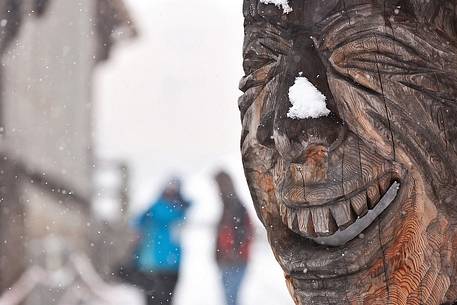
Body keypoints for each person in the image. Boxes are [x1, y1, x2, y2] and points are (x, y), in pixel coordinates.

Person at [133, 177, 190, 305]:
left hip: (156, 265)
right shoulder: (177, 210)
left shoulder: (156, 209)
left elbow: (137, 224)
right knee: (163, 300)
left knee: (156, 300)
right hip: (161, 265)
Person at [214, 171, 253, 305]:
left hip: (235, 261)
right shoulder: (228, 206)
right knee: (230, 298)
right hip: (229, 261)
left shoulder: (235, 207)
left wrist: (234, 252)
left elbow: (244, 233)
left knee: (231, 298)